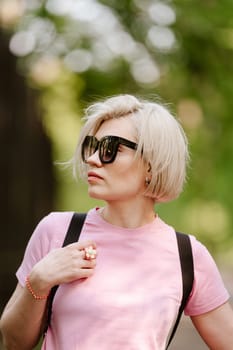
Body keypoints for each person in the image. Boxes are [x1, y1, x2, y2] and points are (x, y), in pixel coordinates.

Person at [0, 94, 233, 350]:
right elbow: (13, 343)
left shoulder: (187, 255)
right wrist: (39, 281)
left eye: (111, 148)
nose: (93, 159)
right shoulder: (57, 232)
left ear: (151, 165)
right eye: (92, 146)